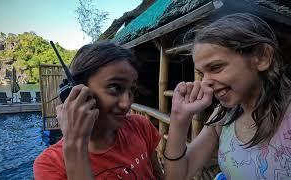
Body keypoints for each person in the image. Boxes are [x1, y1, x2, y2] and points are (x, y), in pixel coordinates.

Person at [164, 13, 291, 180]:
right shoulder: (223, 116)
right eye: (202, 73)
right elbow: (177, 176)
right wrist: (179, 119)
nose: (205, 83)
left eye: (216, 67)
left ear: (262, 57)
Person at [34, 42, 163, 180]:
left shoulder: (140, 127)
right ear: (77, 92)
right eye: (115, 87)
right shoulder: (50, 165)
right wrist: (75, 146)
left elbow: (158, 175)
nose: (126, 104)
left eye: (131, 90)